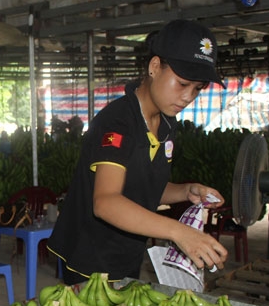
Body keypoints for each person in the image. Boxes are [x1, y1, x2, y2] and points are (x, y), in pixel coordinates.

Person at [48, 19, 228, 285]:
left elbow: (141, 185)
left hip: (127, 253)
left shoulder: (167, 124)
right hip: (90, 257)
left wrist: (185, 190)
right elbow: (106, 202)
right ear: (155, 67)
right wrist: (180, 233)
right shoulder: (117, 122)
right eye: (182, 83)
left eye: (197, 89)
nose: (188, 96)